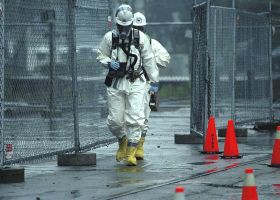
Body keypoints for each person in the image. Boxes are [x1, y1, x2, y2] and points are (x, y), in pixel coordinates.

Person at [96, 5, 158, 166]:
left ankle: (131, 152)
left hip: (136, 81)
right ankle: (122, 140)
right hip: (116, 82)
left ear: (131, 24)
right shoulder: (110, 38)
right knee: (115, 120)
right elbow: (101, 54)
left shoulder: (140, 38)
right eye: (120, 26)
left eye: (126, 26)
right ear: (117, 24)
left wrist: (154, 81)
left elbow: (149, 60)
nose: (123, 28)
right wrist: (108, 62)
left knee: (135, 118)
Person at [132, 12, 171, 160]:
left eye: (140, 28)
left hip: (147, 85)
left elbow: (165, 59)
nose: (138, 32)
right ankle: (129, 145)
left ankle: (139, 146)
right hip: (128, 85)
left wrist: (150, 60)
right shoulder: (124, 45)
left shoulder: (151, 44)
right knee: (128, 118)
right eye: (135, 28)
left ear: (144, 29)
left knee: (144, 117)